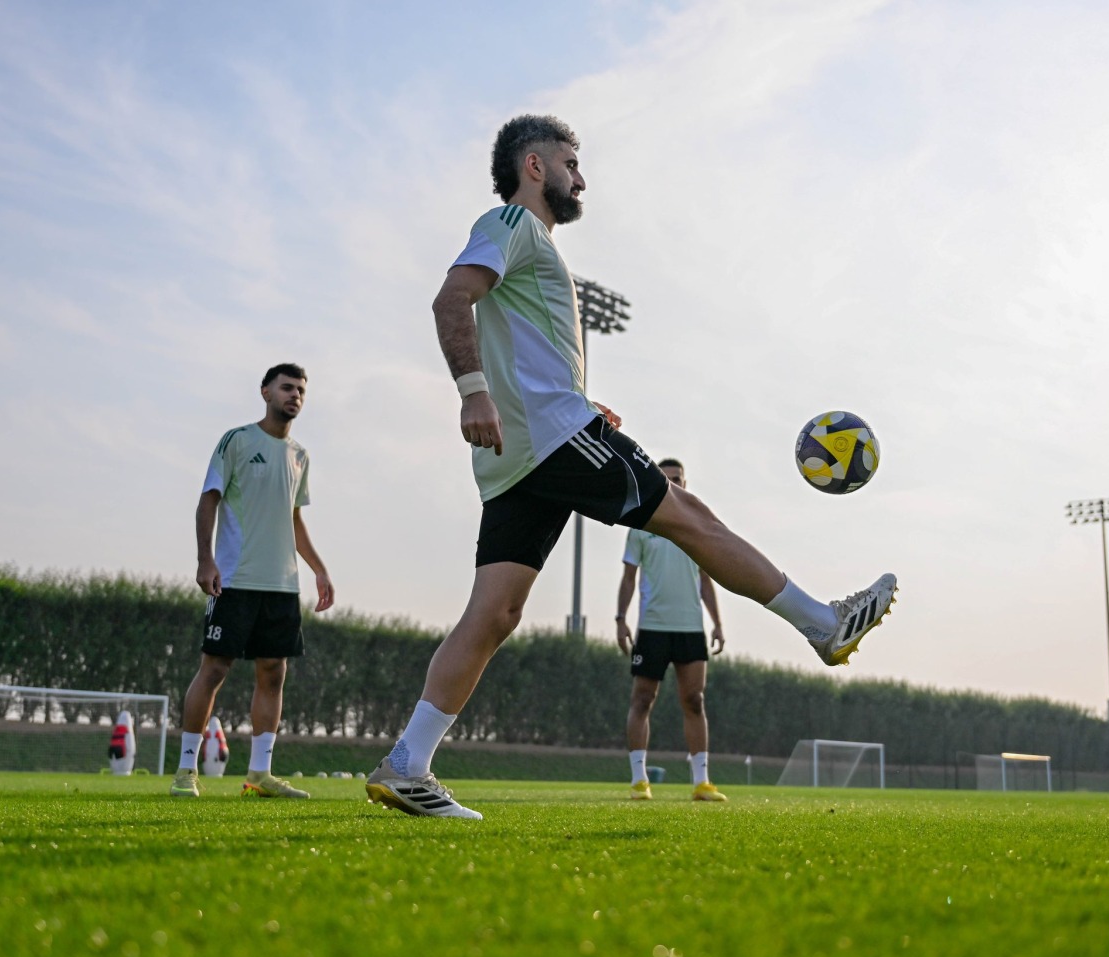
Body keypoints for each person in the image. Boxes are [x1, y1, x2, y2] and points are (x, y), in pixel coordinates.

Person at [365, 115, 896, 820]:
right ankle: (823, 624)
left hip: (525, 453)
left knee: (494, 612)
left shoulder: (530, 246)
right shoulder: (512, 224)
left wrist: (573, 399)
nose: (580, 178)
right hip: (552, 437)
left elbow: (519, 343)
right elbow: (451, 298)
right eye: (570, 163)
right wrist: (473, 393)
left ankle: (407, 763)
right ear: (533, 166)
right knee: (689, 516)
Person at [170, 363, 334, 799]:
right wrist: (205, 559)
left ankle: (259, 774)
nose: (294, 395)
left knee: (273, 673)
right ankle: (186, 770)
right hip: (235, 578)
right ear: (265, 392)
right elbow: (208, 500)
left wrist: (318, 569)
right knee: (214, 669)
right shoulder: (237, 441)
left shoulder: (300, 455)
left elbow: (293, 519)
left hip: (282, 585)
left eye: (300, 390)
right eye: (286, 387)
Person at [616, 459, 728, 802]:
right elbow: (629, 578)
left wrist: (717, 623)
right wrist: (620, 620)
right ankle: (639, 780)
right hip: (652, 628)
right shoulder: (641, 523)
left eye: (677, 478)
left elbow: (706, 580)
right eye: (666, 479)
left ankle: (702, 782)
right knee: (642, 699)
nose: (672, 483)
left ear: (685, 482)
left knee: (694, 700)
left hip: (690, 629)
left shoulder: (697, 525)